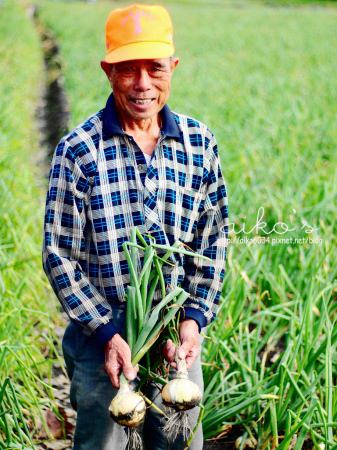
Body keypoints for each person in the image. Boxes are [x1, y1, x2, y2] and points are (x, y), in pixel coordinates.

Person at [42, 4, 228, 450]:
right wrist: (107, 332)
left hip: (173, 337)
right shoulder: (79, 151)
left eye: (154, 67)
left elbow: (214, 241)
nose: (143, 83)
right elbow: (59, 254)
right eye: (128, 69)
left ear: (173, 68)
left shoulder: (200, 145)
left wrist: (195, 319)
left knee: (177, 442)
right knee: (101, 443)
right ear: (109, 71)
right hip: (99, 336)